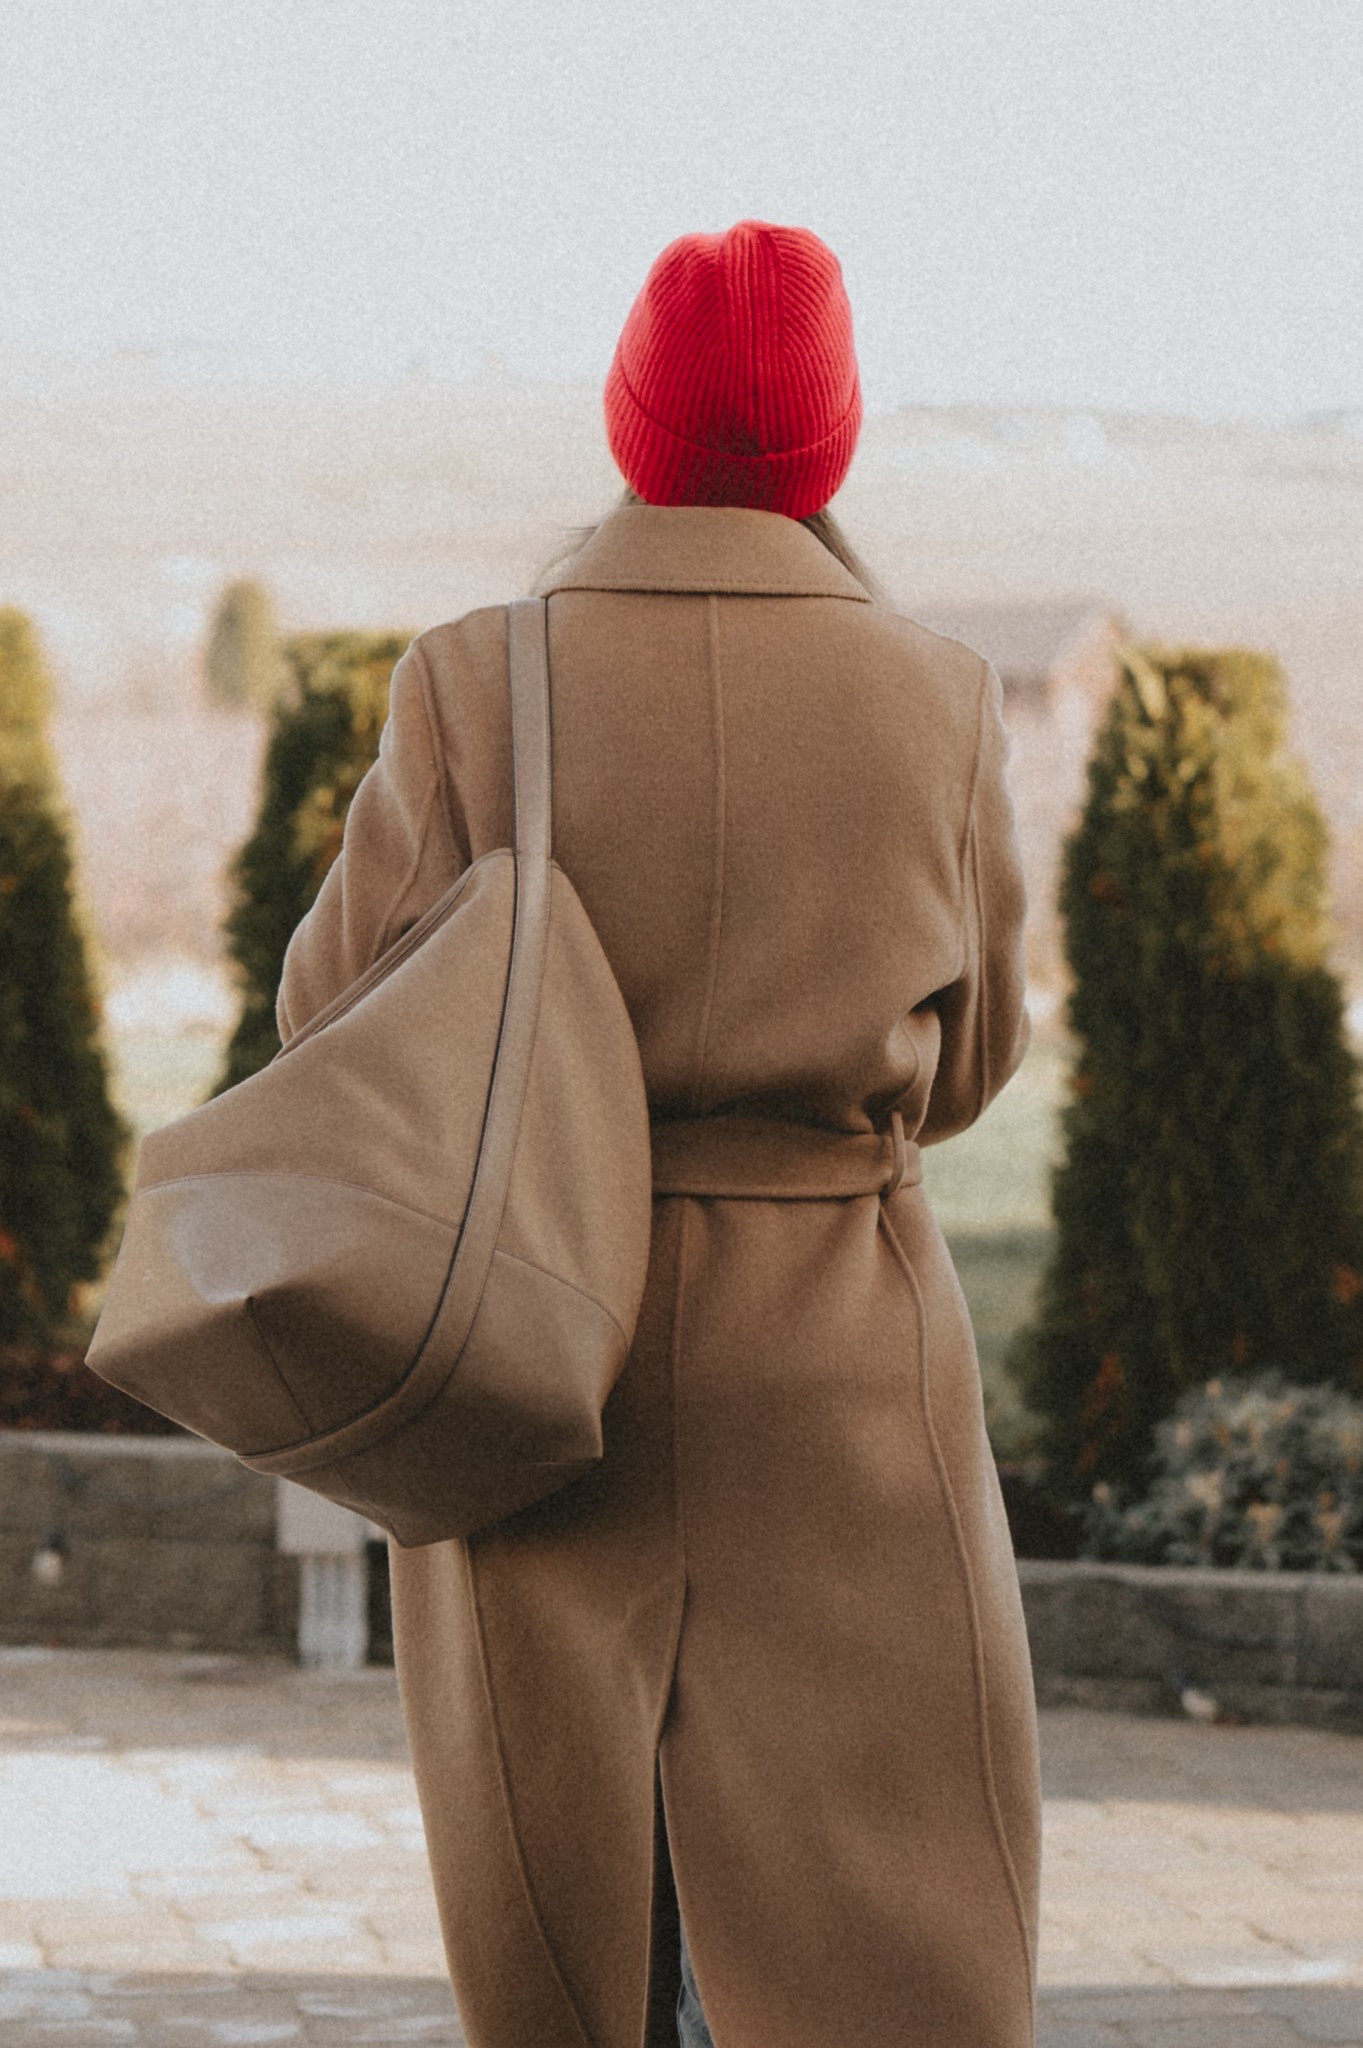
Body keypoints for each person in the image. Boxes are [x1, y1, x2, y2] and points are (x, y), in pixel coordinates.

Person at [275, 220, 1041, 2048]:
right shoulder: (934, 696)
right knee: (866, 1928)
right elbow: (979, 1054)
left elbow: (329, 1018)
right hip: (839, 1353)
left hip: (541, 1344)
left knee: (577, 1922)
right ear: (830, 445)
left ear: (631, 421)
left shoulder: (479, 679)